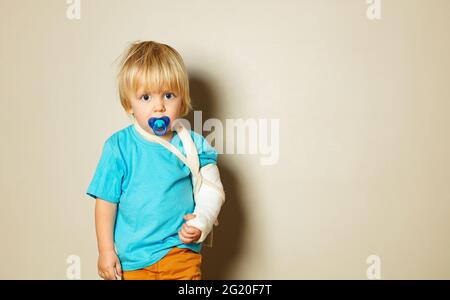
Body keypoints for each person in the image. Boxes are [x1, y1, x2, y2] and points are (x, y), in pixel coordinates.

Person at [86, 41, 224, 280]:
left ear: (182, 101)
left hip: (180, 251)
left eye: (168, 95)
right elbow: (106, 203)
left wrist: (202, 220)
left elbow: (212, 190)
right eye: (146, 97)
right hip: (134, 260)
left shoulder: (192, 144)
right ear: (129, 104)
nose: (159, 106)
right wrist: (106, 251)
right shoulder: (118, 147)